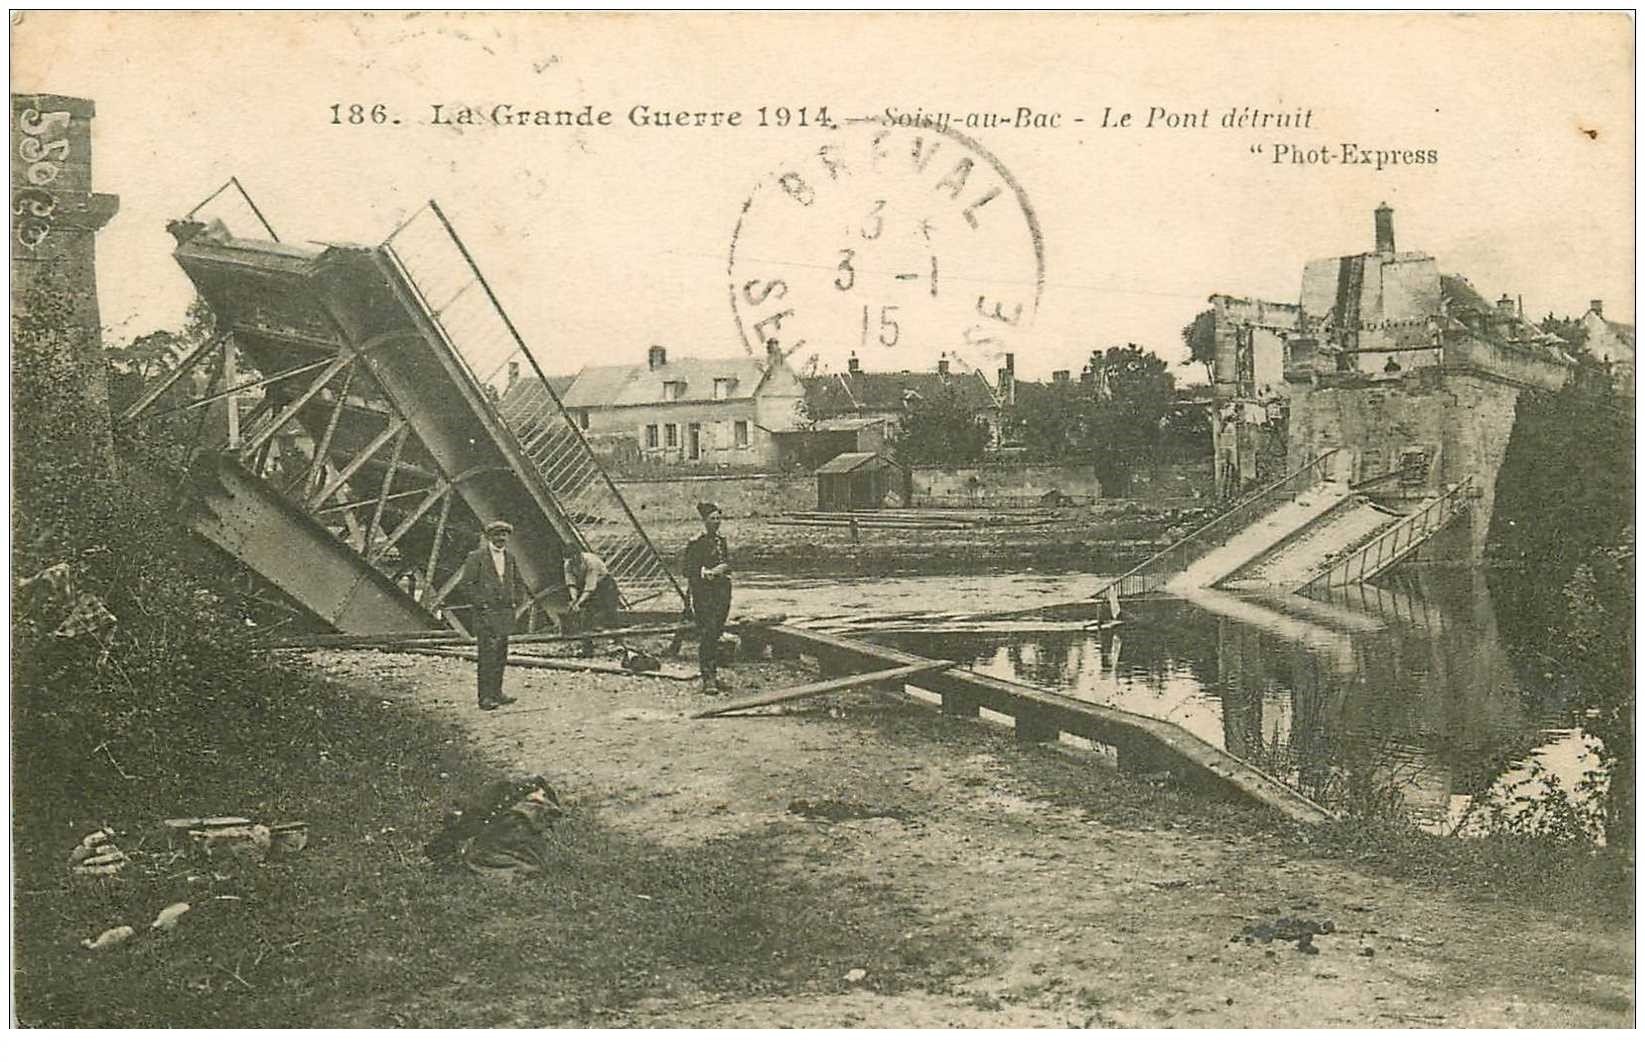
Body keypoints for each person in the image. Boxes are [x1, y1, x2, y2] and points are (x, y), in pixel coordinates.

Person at [461, 519, 521, 711]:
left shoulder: (510, 558)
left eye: (504, 535)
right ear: (489, 536)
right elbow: (467, 584)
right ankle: (485, 697)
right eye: (497, 535)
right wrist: (482, 604)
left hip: (504, 613)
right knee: (487, 655)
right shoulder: (476, 557)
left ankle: (497, 693)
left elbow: (517, 581)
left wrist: (516, 600)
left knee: (501, 654)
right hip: (485, 613)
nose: (501, 538)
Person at [681, 501, 733, 694]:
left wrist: (722, 568)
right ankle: (708, 678)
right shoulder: (696, 542)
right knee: (708, 631)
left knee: (717, 630)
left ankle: (714, 675)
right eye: (712, 519)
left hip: (722, 591)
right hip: (703, 593)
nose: (717, 522)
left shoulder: (721, 540)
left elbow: (728, 562)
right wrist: (704, 572)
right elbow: (687, 569)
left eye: (719, 518)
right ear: (704, 520)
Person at [562, 548, 620, 657]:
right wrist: (574, 599)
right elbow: (571, 583)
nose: (572, 562)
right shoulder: (568, 564)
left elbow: (590, 587)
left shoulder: (590, 562)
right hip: (586, 584)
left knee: (610, 612)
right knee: (586, 615)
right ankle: (587, 646)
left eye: (574, 559)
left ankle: (617, 642)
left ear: (579, 555)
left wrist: (579, 603)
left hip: (604, 585)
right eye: (570, 560)